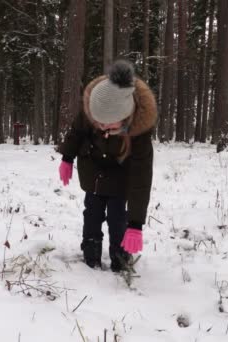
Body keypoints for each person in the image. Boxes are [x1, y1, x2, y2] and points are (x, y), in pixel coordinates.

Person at [57, 60, 157, 272]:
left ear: (124, 116)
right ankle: (90, 251)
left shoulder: (139, 134)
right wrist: (67, 157)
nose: (102, 127)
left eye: (108, 124)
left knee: (117, 217)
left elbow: (141, 179)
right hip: (92, 173)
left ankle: (120, 256)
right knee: (91, 214)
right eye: (98, 123)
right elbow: (76, 132)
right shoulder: (95, 105)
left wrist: (136, 224)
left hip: (121, 180)